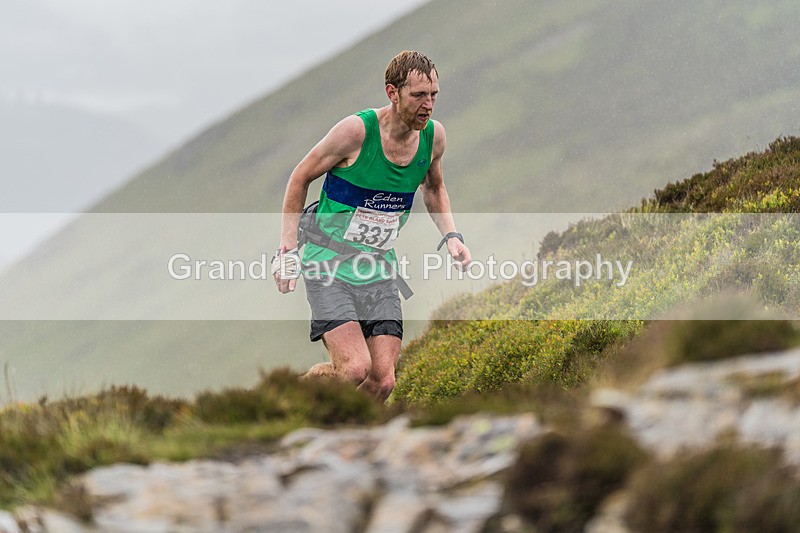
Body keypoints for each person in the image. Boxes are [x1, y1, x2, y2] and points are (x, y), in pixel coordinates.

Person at [273, 50, 470, 402]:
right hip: (327, 263)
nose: (428, 105)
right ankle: (290, 400)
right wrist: (286, 251)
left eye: (434, 95)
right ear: (392, 93)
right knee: (353, 370)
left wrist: (451, 235)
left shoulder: (433, 138)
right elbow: (300, 176)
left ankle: (342, 438)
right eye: (418, 95)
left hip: (378, 268)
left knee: (383, 381)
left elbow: (434, 187)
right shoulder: (355, 132)